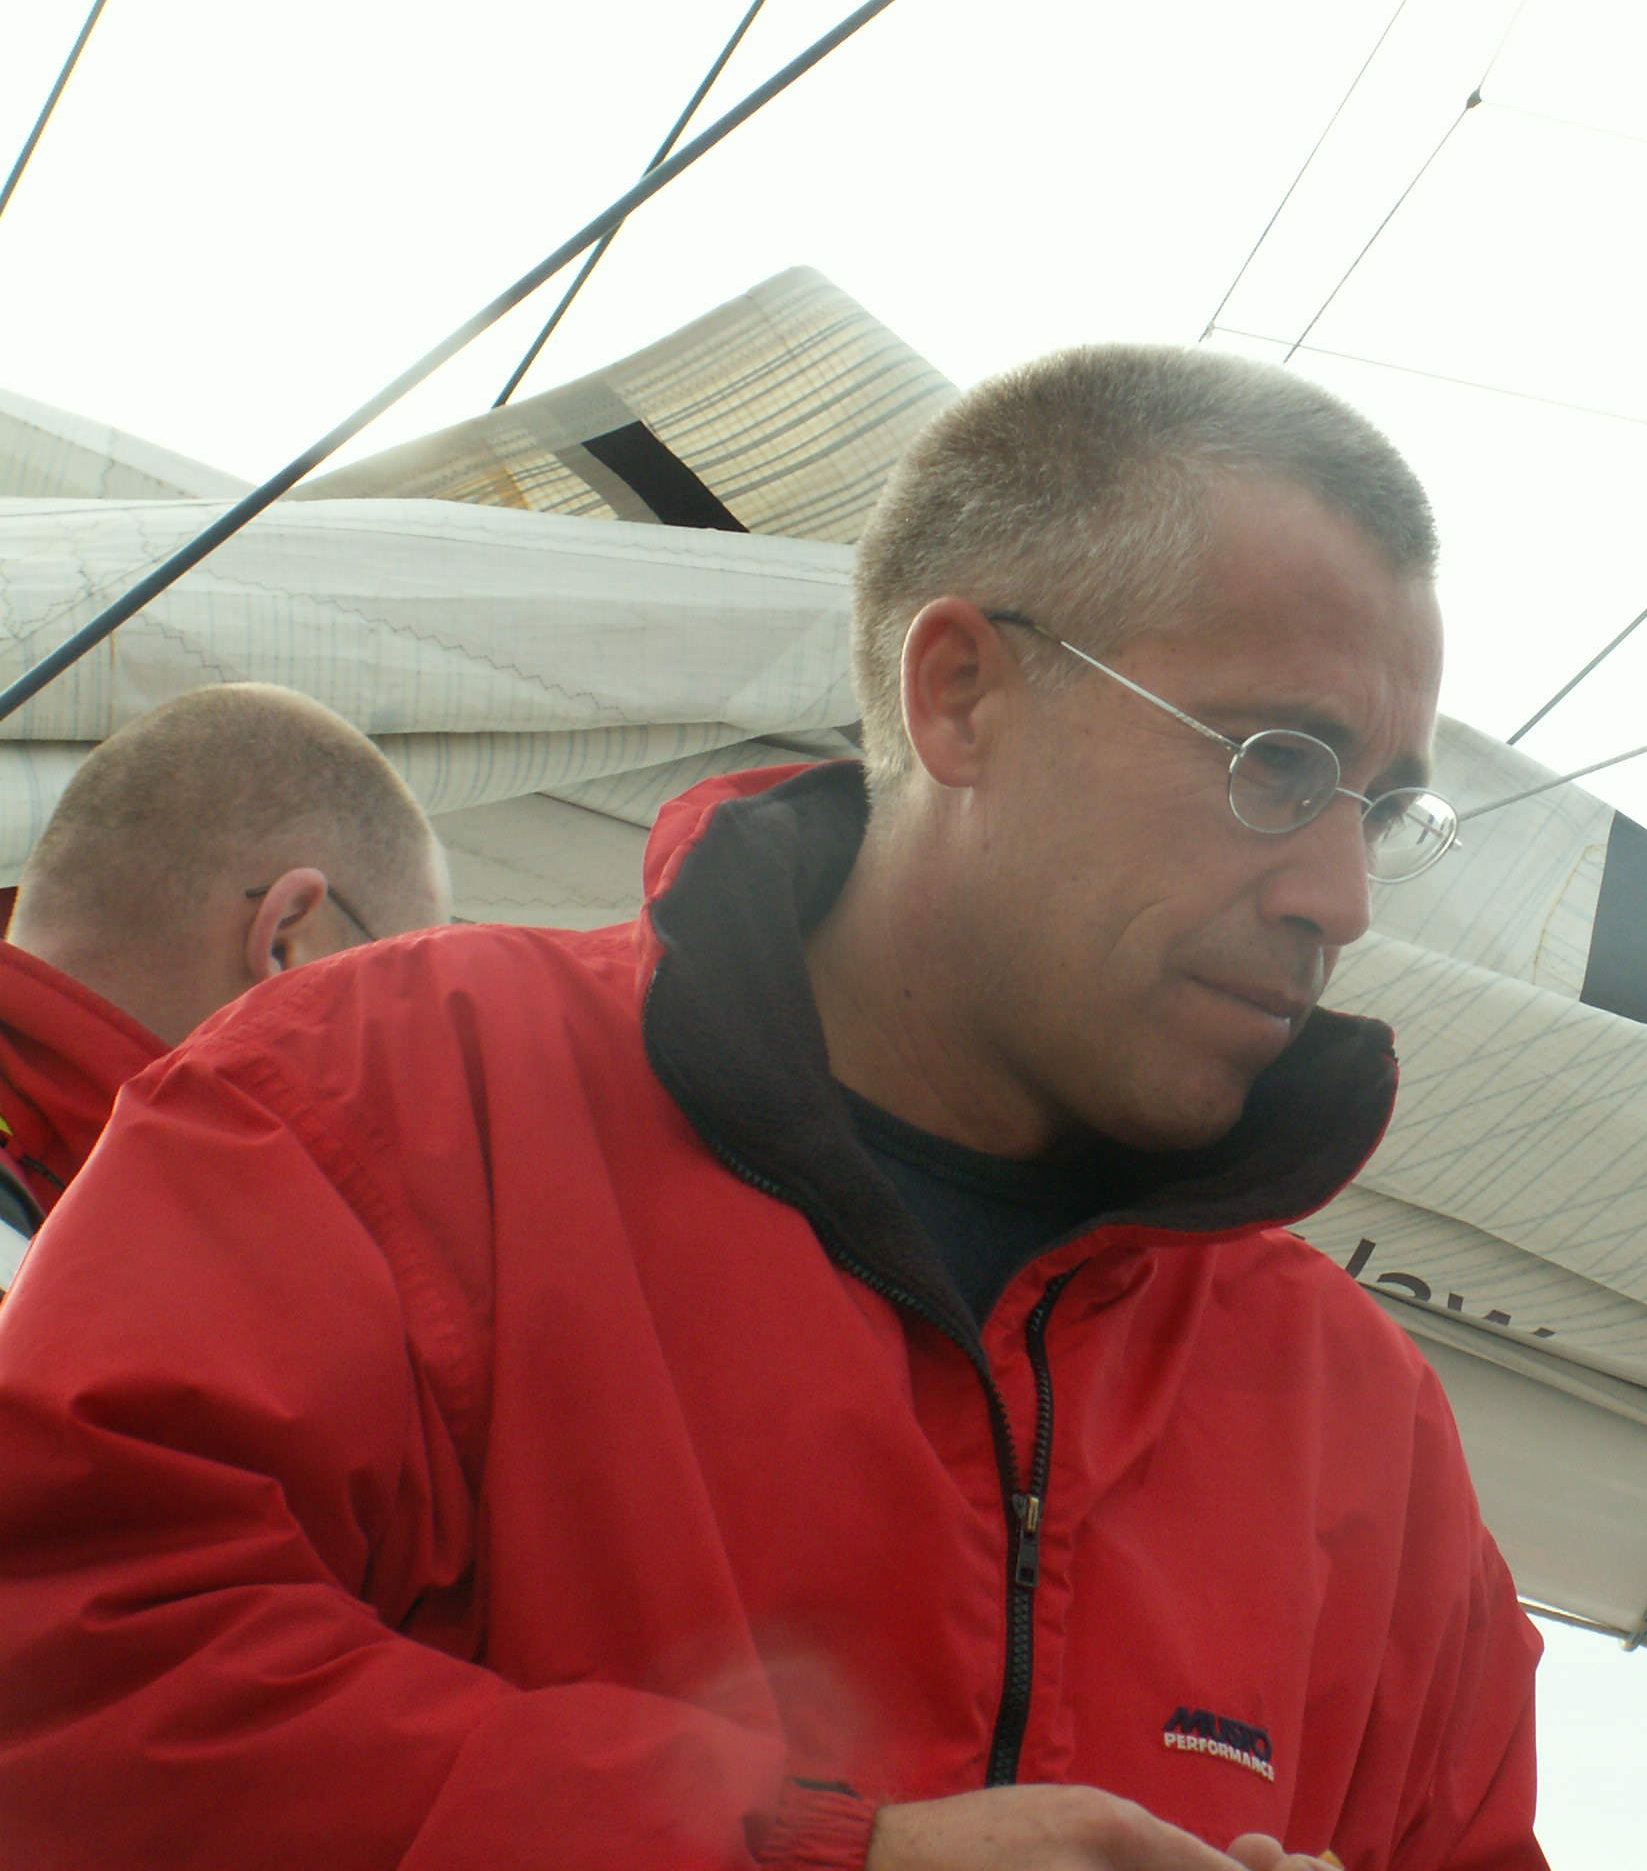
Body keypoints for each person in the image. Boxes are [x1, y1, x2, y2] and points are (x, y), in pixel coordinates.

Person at [0, 348, 1543, 1870]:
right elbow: (67, 1690)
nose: (1342, 898)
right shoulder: (383, 1102)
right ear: (961, 697)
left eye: (1381, 809)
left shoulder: (1368, 1431)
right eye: (1279, 764)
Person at [0, 680, 450, 1276]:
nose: (391, 1088)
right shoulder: (125, 1253)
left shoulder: (88, 1205)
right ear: (285, 942)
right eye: (394, 1011)